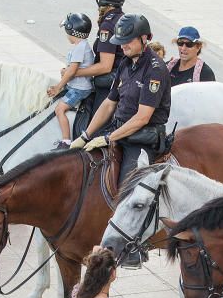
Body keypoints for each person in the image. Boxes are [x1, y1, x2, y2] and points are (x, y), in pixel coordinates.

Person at [70, 13, 171, 184]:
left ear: (144, 38)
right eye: (120, 41)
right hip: (118, 130)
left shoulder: (155, 70)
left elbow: (142, 118)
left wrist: (109, 138)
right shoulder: (125, 62)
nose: (123, 46)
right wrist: (85, 136)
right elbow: (109, 104)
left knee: (127, 189)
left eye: (128, 41)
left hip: (140, 138)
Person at [72, 0, 126, 112]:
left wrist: (74, 72)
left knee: (95, 124)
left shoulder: (108, 25)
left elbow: (105, 66)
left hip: (112, 83)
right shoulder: (121, 17)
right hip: (125, 76)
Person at [48, 12, 94, 148]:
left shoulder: (79, 48)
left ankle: (66, 141)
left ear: (71, 31)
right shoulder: (82, 45)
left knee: (59, 109)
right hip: (77, 85)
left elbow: (72, 71)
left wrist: (58, 87)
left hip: (79, 88)